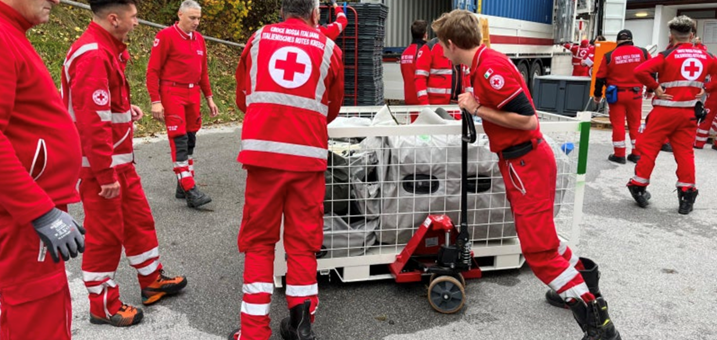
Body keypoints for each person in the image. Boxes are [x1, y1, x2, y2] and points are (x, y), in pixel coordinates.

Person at [432, 10, 620, 340]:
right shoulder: (480, 64)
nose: (442, 51)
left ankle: (595, 320)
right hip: (521, 162)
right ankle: (581, 279)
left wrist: (476, 109)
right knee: (542, 237)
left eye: (442, 46)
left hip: (526, 163)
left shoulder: (490, 67)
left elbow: (528, 121)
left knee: (538, 250)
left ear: (451, 44)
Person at [63, 0, 187, 327]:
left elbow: (102, 105)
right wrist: (105, 175)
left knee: (138, 220)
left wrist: (125, 109)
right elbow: (92, 121)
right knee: (105, 235)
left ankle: (151, 278)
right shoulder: (93, 54)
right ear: (114, 18)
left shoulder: (104, 48)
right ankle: (102, 304)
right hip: (102, 168)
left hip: (119, 162)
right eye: (133, 17)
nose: (136, 23)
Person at [230, 0, 344, 338]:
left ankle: (253, 331)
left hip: (263, 156)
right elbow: (332, 108)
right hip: (308, 159)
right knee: (302, 243)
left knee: (260, 243)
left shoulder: (259, 38)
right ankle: (301, 326)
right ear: (314, 14)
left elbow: (242, 97)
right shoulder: (328, 47)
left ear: (281, 12)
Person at [0, 0, 86, 338]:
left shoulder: (12, 34)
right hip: (24, 210)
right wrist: (39, 212)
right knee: (36, 311)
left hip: (29, 203)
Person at [628, 15, 717, 215]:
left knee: (649, 149)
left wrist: (656, 87)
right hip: (689, 115)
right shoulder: (707, 57)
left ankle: (638, 186)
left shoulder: (666, 55)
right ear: (692, 35)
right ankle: (686, 195)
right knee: (685, 153)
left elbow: (640, 71)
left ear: (672, 36)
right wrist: (707, 87)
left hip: (664, 112)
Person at [147, 0, 217, 209]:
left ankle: (182, 184)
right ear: (180, 15)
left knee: (191, 139)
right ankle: (189, 186)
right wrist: (156, 101)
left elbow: (202, 72)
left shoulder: (199, 40)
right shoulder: (166, 36)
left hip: (192, 93)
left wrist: (209, 97)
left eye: (198, 18)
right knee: (179, 140)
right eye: (192, 18)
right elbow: (153, 71)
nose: (196, 22)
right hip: (172, 93)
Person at [593, 29, 651, 164]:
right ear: (631, 39)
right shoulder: (643, 52)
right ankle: (636, 154)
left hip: (616, 95)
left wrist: (597, 95)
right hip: (636, 94)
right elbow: (651, 71)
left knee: (618, 124)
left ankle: (619, 155)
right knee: (635, 124)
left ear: (618, 41)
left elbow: (600, 77)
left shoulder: (609, 55)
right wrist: (651, 89)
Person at [415, 37, 455, 105]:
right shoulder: (429, 48)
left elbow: (466, 78)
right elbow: (420, 78)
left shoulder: (460, 47)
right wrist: (425, 105)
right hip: (435, 107)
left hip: (458, 108)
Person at [400, 20, 427, 105]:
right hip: (421, 99)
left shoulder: (405, 53)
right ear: (425, 35)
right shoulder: (423, 51)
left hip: (409, 98)